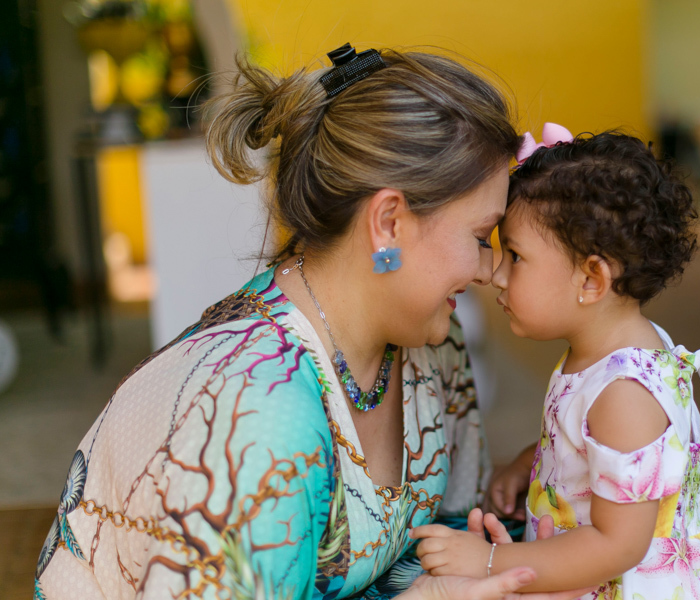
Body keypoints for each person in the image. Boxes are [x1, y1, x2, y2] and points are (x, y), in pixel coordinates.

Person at [33, 43, 549, 600]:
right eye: (479, 238)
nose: (492, 271)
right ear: (389, 223)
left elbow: (456, 535)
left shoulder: (430, 338)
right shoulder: (255, 418)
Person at [412, 126, 700, 600]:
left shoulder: (624, 394)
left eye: (517, 257)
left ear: (591, 279)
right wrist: (534, 459)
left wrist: (487, 561)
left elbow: (616, 544)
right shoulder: (604, 355)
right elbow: (593, 447)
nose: (495, 275)